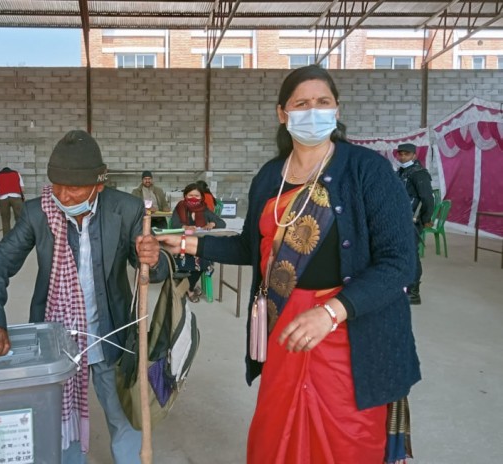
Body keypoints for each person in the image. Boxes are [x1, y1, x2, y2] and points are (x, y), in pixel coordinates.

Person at [158, 65, 421, 464]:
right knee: (276, 431)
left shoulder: (367, 170)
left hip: (349, 329)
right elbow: (251, 248)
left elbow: (401, 263)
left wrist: (331, 312)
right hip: (285, 326)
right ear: (283, 113)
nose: (313, 111)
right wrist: (185, 242)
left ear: (337, 109)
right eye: (301, 104)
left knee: (347, 440)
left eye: (323, 102)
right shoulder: (269, 177)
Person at [0, 130, 168, 464]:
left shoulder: (127, 209)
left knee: (123, 417)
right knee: (59, 423)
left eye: (74, 187)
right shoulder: (38, 212)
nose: (63, 195)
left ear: (98, 184)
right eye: (57, 185)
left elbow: (154, 268)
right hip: (57, 338)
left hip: (109, 334)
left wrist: (155, 257)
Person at [171, 182, 226, 303]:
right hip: (183, 244)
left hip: (199, 244)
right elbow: (174, 224)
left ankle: (188, 287)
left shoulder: (204, 209)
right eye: (190, 195)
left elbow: (222, 223)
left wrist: (212, 224)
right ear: (185, 196)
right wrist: (185, 227)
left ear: (201, 197)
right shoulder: (180, 207)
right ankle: (190, 289)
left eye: (196, 196)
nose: (193, 198)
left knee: (204, 260)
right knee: (188, 261)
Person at [396, 143, 434, 305]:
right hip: (399, 219)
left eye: (407, 154)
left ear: (414, 155)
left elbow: (427, 199)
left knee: (411, 254)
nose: (403, 157)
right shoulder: (401, 172)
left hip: (412, 220)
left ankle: (413, 293)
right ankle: (402, 287)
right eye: (401, 154)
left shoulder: (419, 174)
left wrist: (425, 219)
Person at [0, 167, 25, 235]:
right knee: (19, 217)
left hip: (3, 198)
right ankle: (20, 235)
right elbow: (22, 189)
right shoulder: (16, 173)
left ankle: (7, 237)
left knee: (5, 219)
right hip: (16, 197)